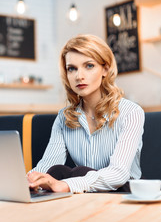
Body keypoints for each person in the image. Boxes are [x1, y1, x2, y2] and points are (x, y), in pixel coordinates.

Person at [27, 34, 144, 193]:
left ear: (105, 68)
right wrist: (28, 181)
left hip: (122, 194)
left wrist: (67, 185)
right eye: (72, 69)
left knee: (77, 173)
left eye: (89, 66)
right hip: (85, 194)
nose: (79, 76)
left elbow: (118, 174)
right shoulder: (64, 118)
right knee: (55, 171)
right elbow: (47, 165)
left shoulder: (131, 112)